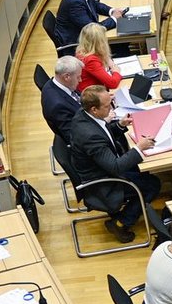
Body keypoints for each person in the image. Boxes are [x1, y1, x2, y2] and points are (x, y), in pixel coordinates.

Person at [65, 84, 161, 242]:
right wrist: (139, 148)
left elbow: (104, 134)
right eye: (107, 105)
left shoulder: (83, 115)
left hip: (102, 167)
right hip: (103, 181)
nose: (111, 107)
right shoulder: (89, 135)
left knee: (143, 172)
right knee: (152, 184)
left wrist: (119, 125)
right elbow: (116, 167)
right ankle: (121, 223)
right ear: (94, 109)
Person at [41, 56, 85, 135]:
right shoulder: (58, 106)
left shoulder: (57, 83)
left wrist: (95, 97)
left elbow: (77, 97)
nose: (80, 80)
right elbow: (75, 136)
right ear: (66, 77)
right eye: (78, 77)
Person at [75, 23, 120, 92]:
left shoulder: (82, 50)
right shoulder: (91, 60)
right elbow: (112, 84)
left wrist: (107, 59)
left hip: (95, 89)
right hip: (93, 96)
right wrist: (116, 72)